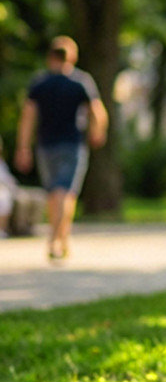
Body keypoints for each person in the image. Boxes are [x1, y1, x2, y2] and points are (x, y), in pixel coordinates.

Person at [14, 36, 108, 261]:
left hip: (45, 145)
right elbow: (98, 111)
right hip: (73, 144)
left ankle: (59, 239)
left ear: (50, 57)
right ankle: (58, 239)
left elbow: (27, 117)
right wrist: (98, 132)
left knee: (54, 194)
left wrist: (23, 147)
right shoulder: (81, 82)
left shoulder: (39, 83)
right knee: (66, 194)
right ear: (72, 57)